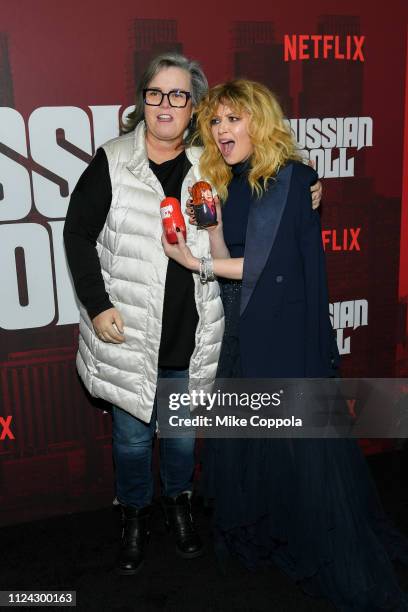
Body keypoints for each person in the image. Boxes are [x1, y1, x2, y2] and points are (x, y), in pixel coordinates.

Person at [63, 54, 322, 576]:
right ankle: (134, 513)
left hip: (195, 330)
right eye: (156, 93)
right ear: (143, 102)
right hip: (128, 331)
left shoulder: (214, 163)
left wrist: (311, 180)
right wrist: (98, 305)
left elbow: (270, 176)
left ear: (193, 107)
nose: (166, 104)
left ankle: (178, 507)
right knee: (133, 440)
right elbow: (77, 235)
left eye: (178, 95)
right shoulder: (112, 160)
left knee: (181, 438)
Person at [162, 79, 408, 610]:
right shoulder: (226, 182)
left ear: (260, 120)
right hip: (248, 324)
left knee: (301, 445)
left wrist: (194, 262)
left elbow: (269, 266)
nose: (223, 131)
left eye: (234, 119)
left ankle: (318, 541)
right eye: (217, 123)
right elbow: (233, 263)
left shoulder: (294, 179)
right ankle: (274, 532)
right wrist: (212, 235)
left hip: (286, 330)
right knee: (255, 437)